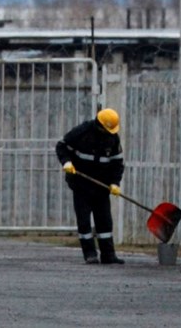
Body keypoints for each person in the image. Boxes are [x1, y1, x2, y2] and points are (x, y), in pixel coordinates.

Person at [56, 107, 125, 264]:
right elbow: (61, 146)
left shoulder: (113, 138)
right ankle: (90, 254)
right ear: (100, 125)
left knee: (105, 221)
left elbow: (117, 163)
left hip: (101, 185)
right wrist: (66, 162)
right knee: (84, 220)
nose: (110, 133)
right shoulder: (81, 132)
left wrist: (115, 183)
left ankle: (108, 255)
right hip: (81, 184)